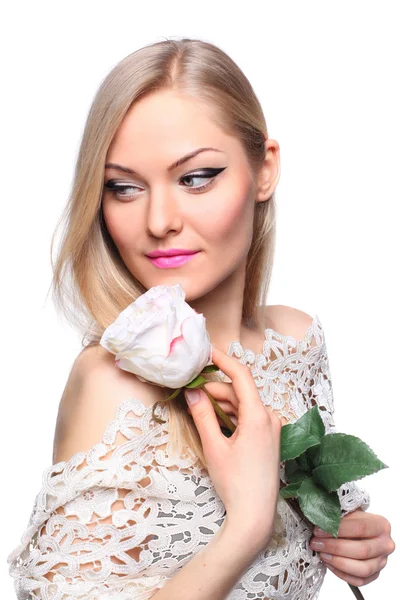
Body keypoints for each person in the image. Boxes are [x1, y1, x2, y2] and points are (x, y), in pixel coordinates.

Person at [7, 38, 395, 600]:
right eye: (123, 187)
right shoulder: (112, 387)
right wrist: (244, 529)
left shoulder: (295, 340)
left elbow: (314, 522)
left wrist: (353, 540)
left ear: (264, 170)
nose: (160, 220)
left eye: (195, 178)